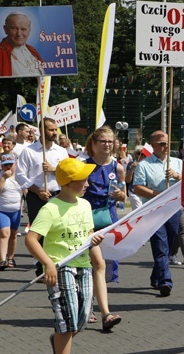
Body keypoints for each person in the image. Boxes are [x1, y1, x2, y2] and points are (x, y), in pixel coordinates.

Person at [25, 158, 102, 354]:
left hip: (83, 266)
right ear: (67, 184)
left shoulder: (85, 205)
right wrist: (48, 264)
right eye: (83, 180)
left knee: (83, 318)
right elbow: (31, 239)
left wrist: (93, 240)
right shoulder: (50, 209)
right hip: (60, 268)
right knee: (67, 321)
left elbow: (87, 234)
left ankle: (58, 340)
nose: (87, 184)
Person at [81, 126, 125, 331]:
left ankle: (91, 306)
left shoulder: (118, 167)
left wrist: (121, 196)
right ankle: (104, 313)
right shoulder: (84, 166)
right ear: (94, 144)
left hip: (110, 221)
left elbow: (124, 195)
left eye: (111, 141)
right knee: (96, 265)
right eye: (104, 141)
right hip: (87, 222)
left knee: (104, 267)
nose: (108, 145)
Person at [15, 117, 68, 276]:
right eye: (51, 130)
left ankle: (58, 264)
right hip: (36, 196)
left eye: (55, 129)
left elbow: (68, 173)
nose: (54, 132)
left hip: (58, 196)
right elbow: (20, 176)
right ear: (42, 131)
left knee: (57, 230)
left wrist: (53, 170)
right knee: (39, 233)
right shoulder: (29, 151)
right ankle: (41, 267)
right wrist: (37, 191)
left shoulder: (61, 151)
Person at [133, 131, 182, 297]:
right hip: (154, 210)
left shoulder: (177, 162)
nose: (165, 146)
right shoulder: (144, 165)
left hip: (174, 209)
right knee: (160, 246)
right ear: (153, 145)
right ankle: (165, 281)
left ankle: (156, 275)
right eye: (161, 143)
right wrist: (156, 194)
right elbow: (137, 187)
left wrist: (177, 175)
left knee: (170, 244)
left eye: (167, 143)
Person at [0, 153, 22, 270]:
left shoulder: (19, 176)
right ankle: (2, 260)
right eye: (5, 165)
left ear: (15, 164)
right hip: (1, 210)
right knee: (4, 234)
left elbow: (26, 190)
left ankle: (11, 258)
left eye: (10, 164)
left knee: (13, 235)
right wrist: (3, 178)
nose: (8, 167)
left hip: (15, 210)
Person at [0, 12, 44, 77]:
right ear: (5, 29)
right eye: (14, 29)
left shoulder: (32, 51)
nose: (19, 34)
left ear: (29, 31)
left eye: (23, 29)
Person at [125, 146, 143, 211]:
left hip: (145, 192)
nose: (142, 155)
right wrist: (132, 169)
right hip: (134, 191)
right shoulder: (131, 165)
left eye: (144, 154)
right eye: (139, 153)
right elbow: (127, 180)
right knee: (139, 211)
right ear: (135, 154)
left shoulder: (148, 165)